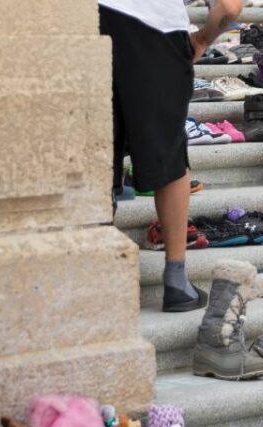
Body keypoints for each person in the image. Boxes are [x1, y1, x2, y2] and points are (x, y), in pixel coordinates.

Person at [99, 0, 242, 312]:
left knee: (98, 151)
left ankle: (97, 274)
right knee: (169, 155)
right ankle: (176, 282)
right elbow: (229, 9)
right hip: (157, 29)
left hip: (89, 23)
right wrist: (203, 38)